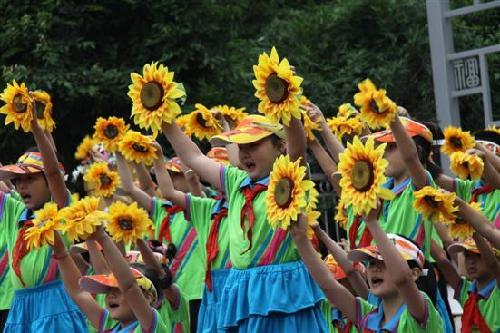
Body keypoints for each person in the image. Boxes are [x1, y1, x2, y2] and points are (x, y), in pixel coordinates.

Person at [161, 113, 328, 331]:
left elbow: (297, 146)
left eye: (254, 144)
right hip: (241, 287)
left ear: (280, 146)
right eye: (241, 147)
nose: (245, 153)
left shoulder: (290, 178)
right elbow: (193, 158)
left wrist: (285, 102)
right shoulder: (236, 181)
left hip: (283, 289)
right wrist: (164, 117)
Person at [0, 110, 87, 332]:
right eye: (18, 180)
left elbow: (53, 173)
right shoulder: (13, 211)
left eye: (30, 179)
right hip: (19, 308)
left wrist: (36, 128)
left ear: (48, 182)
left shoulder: (60, 209)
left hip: (54, 304)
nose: (21, 185)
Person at [291, 209, 443, 332]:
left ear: (414, 273)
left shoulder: (420, 313)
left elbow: (402, 279)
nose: (374, 268)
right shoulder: (368, 316)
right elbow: (328, 285)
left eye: (384, 262)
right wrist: (301, 240)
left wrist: (372, 222)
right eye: (370, 262)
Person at [52, 227, 167, 332]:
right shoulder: (109, 325)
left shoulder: (150, 326)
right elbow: (78, 292)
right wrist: (60, 252)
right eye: (109, 289)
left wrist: (102, 237)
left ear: (147, 298)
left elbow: (129, 287)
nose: (111, 295)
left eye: (118, 289)